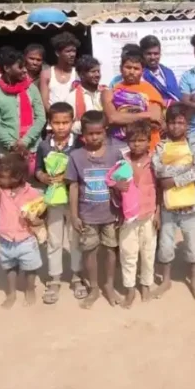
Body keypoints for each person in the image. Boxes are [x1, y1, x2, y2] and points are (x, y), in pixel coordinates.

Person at [67, 110, 125, 308]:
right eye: (90, 133)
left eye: (98, 133)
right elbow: (73, 186)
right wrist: (74, 215)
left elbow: (123, 180)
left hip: (110, 214)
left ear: (105, 132)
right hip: (87, 215)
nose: (94, 137)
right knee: (89, 251)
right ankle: (94, 287)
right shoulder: (75, 157)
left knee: (110, 250)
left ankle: (108, 285)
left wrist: (122, 209)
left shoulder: (114, 154)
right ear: (82, 134)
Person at [152, 102, 195, 299]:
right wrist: (185, 166)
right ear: (166, 124)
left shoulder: (193, 146)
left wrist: (174, 180)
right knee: (166, 246)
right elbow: (159, 170)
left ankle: (193, 279)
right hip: (168, 207)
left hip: (190, 205)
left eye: (180, 122)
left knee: (193, 245)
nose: (176, 126)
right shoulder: (161, 146)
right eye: (172, 122)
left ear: (187, 124)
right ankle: (165, 280)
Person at [33, 101, 84, 304]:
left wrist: (70, 177)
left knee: (75, 238)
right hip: (54, 200)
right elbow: (37, 169)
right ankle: (54, 278)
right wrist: (42, 177)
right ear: (49, 123)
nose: (61, 127)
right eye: (56, 123)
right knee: (54, 239)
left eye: (65, 122)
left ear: (72, 122)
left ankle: (77, 276)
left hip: (74, 200)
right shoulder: (45, 145)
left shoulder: (79, 143)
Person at [0, 151, 44, 309]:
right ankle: (11, 293)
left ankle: (29, 289)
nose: (1, 179)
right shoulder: (0, 190)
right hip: (6, 239)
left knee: (30, 267)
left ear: (18, 177)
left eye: (4, 177)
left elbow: (40, 214)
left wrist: (36, 219)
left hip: (26, 238)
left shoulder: (31, 192)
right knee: (9, 267)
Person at [116, 119, 159, 308]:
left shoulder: (155, 161)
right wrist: (116, 186)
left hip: (149, 213)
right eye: (133, 140)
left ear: (148, 141)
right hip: (128, 217)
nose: (136, 144)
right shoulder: (121, 161)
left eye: (141, 140)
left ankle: (146, 284)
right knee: (128, 252)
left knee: (148, 252)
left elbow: (159, 188)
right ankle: (130, 288)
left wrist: (158, 213)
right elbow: (112, 182)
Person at [0, 46, 46, 159]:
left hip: (34, 150)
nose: (25, 70)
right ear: (7, 68)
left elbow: (41, 117)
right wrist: (12, 145)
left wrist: (25, 141)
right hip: (8, 154)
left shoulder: (31, 89)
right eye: (20, 67)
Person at [103, 46, 165, 149]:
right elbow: (112, 118)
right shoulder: (113, 91)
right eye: (128, 67)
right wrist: (145, 115)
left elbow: (155, 119)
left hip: (148, 147)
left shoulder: (151, 91)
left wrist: (123, 117)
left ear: (142, 71)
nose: (132, 72)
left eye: (136, 68)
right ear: (121, 68)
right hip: (120, 146)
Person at [41, 31, 81, 112]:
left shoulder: (78, 73)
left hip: (75, 120)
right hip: (54, 120)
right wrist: (59, 118)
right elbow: (45, 103)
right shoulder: (47, 74)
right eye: (68, 51)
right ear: (57, 53)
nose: (72, 54)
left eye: (74, 51)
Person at [65, 54, 104, 136]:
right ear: (81, 74)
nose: (97, 75)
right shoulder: (72, 97)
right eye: (93, 72)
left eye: (98, 71)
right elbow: (67, 124)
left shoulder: (105, 93)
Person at [139, 34, 182, 105]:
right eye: (149, 54)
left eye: (156, 54)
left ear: (160, 54)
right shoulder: (140, 75)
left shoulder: (168, 72)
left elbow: (177, 95)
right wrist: (169, 103)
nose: (152, 57)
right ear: (142, 55)